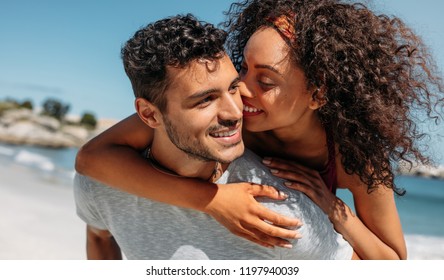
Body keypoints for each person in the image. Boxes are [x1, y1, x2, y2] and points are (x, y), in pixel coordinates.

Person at [75, 0, 444, 259]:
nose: (241, 93)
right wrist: (213, 201)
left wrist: (332, 207)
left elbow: (393, 262)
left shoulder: (353, 154)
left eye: (264, 81)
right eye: (243, 71)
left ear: (317, 94)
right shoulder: (235, 118)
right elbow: (92, 159)